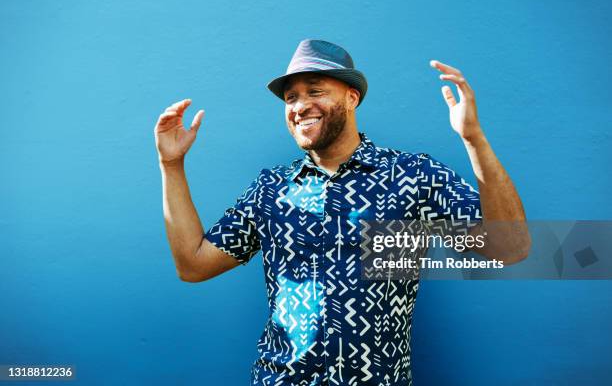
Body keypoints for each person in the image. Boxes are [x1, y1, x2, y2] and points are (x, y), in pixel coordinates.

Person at [154, 39, 530, 386]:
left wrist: (473, 139)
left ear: (352, 98)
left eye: (315, 91)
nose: (299, 106)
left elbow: (509, 248)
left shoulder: (412, 176)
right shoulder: (271, 189)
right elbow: (194, 264)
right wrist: (171, 165)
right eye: (290, 98)